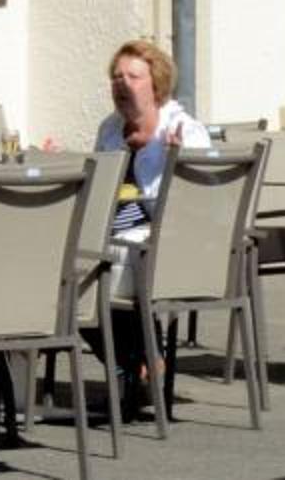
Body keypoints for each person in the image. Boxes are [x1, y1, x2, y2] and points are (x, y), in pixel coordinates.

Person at [89, 37, 207, 423]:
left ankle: (135, 366)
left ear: (156, 85)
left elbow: (203, 204)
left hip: (164, 241)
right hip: (112, 234)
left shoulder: (184, 131)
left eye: (133, 77)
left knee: (90, 274)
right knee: (65, 269)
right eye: (116, 77)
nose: (122, 84)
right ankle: (142, 364)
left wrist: (178, 161)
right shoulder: (110, 129)